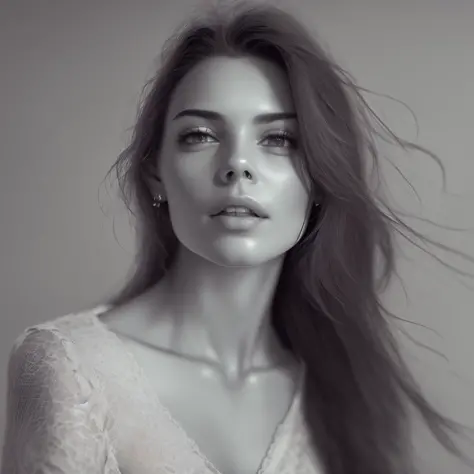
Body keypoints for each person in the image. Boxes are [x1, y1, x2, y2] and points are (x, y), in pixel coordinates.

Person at [1, 2, 470, 474]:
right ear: (154, 175)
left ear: (323, 181)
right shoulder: (71, 370)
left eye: (280, 139)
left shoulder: (336, 394)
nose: (237, 165)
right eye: (200, 135)